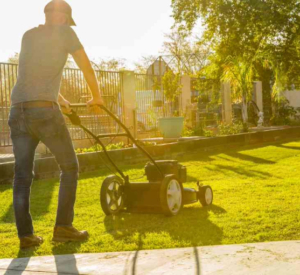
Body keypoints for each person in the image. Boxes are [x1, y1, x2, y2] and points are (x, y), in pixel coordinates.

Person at [8, 0, 104, 249]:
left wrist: (60, 100)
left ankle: (26, 237)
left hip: (18, 110)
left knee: (22, 177)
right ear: (62, 18)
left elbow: (31, 77)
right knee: (70, 167)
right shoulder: (66, 33)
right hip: (44, 112)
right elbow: (86, 65)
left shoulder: (28, 35)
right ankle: (63, 227)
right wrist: (97, 96)